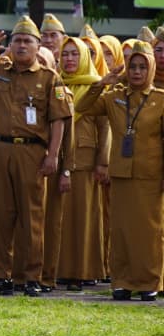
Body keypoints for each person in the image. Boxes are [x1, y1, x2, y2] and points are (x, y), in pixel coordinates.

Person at [0, 17, 71, 297]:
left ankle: (31, 277)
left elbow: (58, 120)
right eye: (17, 40)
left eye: (27, 41)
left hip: (32, 152)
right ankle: (2, 276)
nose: (21, 45)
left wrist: (53, 155)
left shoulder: (48, 78)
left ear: (38, 46)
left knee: (32, 217)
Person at [74, 41, 163, 300]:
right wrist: (102, 83)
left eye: (142, 67)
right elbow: (82, 107)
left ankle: (149, 281)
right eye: (133, 67)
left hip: (151, 174)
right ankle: (122, 281)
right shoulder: (114, 97)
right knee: (121, 229)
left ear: (151, 69)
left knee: (149, 230)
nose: (136, 72)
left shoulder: (160, 100)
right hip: (122, 173)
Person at [54, 36, 110, 289]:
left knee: (85, 216)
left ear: (85, 57)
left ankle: (86, 269)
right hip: (59, 159)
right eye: (65, 54)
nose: (69, 59)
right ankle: (61, 269)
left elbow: (105, 128)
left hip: (86, 161)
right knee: (61, 217)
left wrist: (102, 162)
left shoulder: (96, 86)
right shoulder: (55, 84)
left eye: (75, 54)